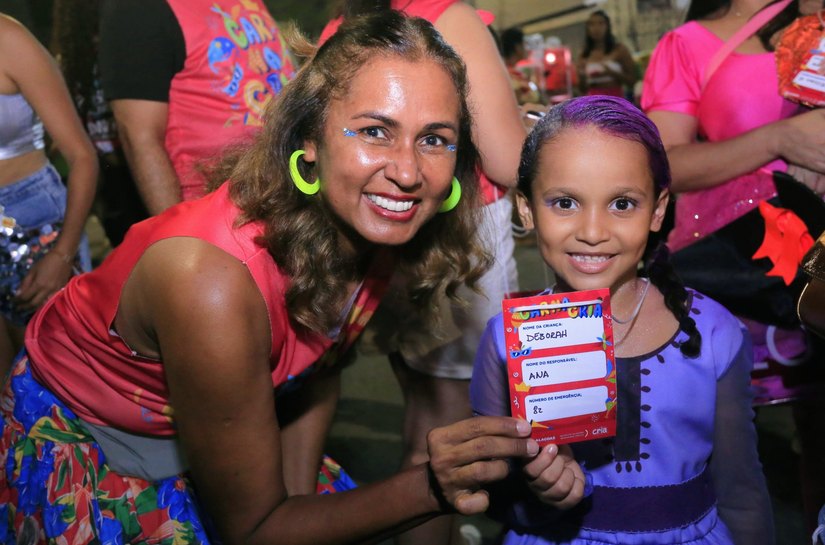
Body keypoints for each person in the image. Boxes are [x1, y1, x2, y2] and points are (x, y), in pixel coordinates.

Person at [0, 12, 584, 543]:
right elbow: (252, 529)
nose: (407, 172)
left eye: (434, 139)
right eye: (374, 130)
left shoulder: (373, 226)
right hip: (96, 439)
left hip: (225, 427)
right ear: (308, 143)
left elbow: (317, 368)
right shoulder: (210, 281)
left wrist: (298, 499)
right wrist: (431, 485)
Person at [471, 95, 774, 544]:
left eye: (622, 204)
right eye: (565, 202)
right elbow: (488, 482)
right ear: (526, 208)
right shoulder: (505, 340)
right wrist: (536, 488)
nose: (593, 232)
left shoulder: (713, 333)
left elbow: (740, 485)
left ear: (657, 209)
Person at [321, 2, 525, 543]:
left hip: (385, 239)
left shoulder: (344, 27)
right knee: (450, 442)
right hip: (452, 237)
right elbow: (506, 159)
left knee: (424, 420)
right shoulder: (445, 15)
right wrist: (546, 133)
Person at [641, 0, 825, 531]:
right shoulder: (690, 44)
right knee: (723, 445)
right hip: (738, 267)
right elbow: (663, 162)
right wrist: (777, 141)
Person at [98, 0, 296, 215]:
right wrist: (177, 235)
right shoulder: (138, 8)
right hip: (218, 216)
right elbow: (139, 136)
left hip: (286, 199)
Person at [0, 13, 96, 376]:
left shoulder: (10, 40)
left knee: (61, 370)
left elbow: (82, 156)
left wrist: (63, 253)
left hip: (35, 220)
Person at [51, 0, 148, 247]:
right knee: (126, 240)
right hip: (104, 168)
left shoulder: (134, 43)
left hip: (136, 158)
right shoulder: (70, 59)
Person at [576, 10, 637, 98]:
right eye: (592, 24)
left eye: (601, 23)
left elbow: (632, 81)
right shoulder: (584, 54)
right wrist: (582, 77)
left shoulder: (619, 49)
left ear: (607, 26)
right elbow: (582, 89)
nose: (596, 28)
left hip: (615, 98)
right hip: (593, 101)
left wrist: (612, 73)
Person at [500, 27, 542, 106]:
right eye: (525, 44)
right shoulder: (508, 77)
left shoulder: (513, 74)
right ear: (517, 47)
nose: (527, 48)